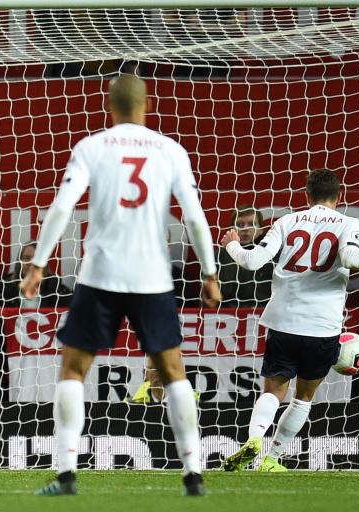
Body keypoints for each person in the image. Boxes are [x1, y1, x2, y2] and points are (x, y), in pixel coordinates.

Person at [19, 74, 221, 496]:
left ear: (109, 106)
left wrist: (38, 264)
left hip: (101, 275)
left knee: (74, 369)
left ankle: (67, 473)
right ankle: (193, 475)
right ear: (147, 104)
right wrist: (209, 271)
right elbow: (194, 216)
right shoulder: (171, 150)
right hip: (152, 277)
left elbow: (61, 207)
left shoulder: (92, 147)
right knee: (172, 372)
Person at [219, 168, 359, 473]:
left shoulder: (287, 221)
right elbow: (353, 259)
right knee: (303, 397)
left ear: (306, 195)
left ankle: (253, 438)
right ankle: (272, 458)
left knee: (272, 391)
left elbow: (252, 262)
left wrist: (233, 243)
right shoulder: (350, 223)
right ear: (339, 196)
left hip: (283, 322)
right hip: (321, 327)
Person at [217, 206, 273, 304]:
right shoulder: (219, 256)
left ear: (261, 230)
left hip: (263, 312)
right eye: (240, 224)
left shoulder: (272, 255)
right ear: (232, 229)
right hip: (227, 313)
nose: (245, 229)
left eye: (252, 224)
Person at [0, 241, 72, 307]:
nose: (31, 263)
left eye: (36, 259)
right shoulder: (4, 289)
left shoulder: (57, 289)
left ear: (44, 264)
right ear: (19, 262)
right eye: (27, 258)